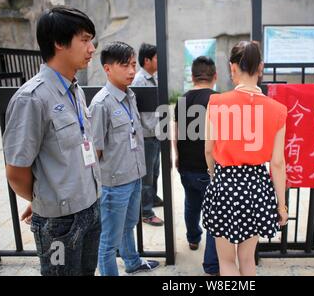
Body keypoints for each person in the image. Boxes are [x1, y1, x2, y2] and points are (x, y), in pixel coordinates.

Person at [3, 6, 101, 276]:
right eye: (84, 39)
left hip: (90, 208)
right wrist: (44, 197)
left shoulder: (75, 90)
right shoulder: (32, 98)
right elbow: (16, 171)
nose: (91, 48)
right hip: (59, 224)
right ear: (59, 43)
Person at [202, 41, 289, 276]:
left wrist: (214, 174)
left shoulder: (217, 102)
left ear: (232, 68)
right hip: (257, 187)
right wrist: (281, 205)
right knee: (248, 260)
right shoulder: (278, 109)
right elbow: (278, 163)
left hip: (225, 185)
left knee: (227, 262)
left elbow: (209, 150)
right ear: (260, 68)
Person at [90, 42, 159, 276]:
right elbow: (95, 151)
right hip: (114, 184)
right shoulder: (101, 104)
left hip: (134, 176)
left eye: (132, 65)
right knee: (108, 241)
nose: (131, 71)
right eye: (124, 65)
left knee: (129, 226)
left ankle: (132, 262)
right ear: (107, 69)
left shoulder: (130, 95)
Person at [173, 56, 220, 276]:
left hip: (186, 165)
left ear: (192, 77)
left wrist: (176, 156)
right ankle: (211, 264)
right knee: (214, 212)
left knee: (192, 203)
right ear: (215, 76)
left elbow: (176, 133)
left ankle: (193, 238)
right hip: (208, 167)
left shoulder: (181, 100)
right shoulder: (218, 100)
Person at [132, 43, 164, 226]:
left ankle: (152, 198)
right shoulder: (139, 81)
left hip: (156, 134)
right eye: (156, 58)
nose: (159, 61)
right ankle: (145, 211)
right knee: (146, 176)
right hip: (146, 136)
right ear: (147, 60)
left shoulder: (154, 77)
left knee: (155, 171)